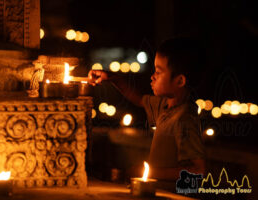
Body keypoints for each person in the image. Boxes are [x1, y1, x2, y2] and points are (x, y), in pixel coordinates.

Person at [88, 37, 206, 184]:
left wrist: (150, 173)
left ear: (180, 81)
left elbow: (198, 171)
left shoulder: (184, 119)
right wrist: (111, 78)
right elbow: (137, 98)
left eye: (158, 72)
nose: (152, 77)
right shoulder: (164, 107)